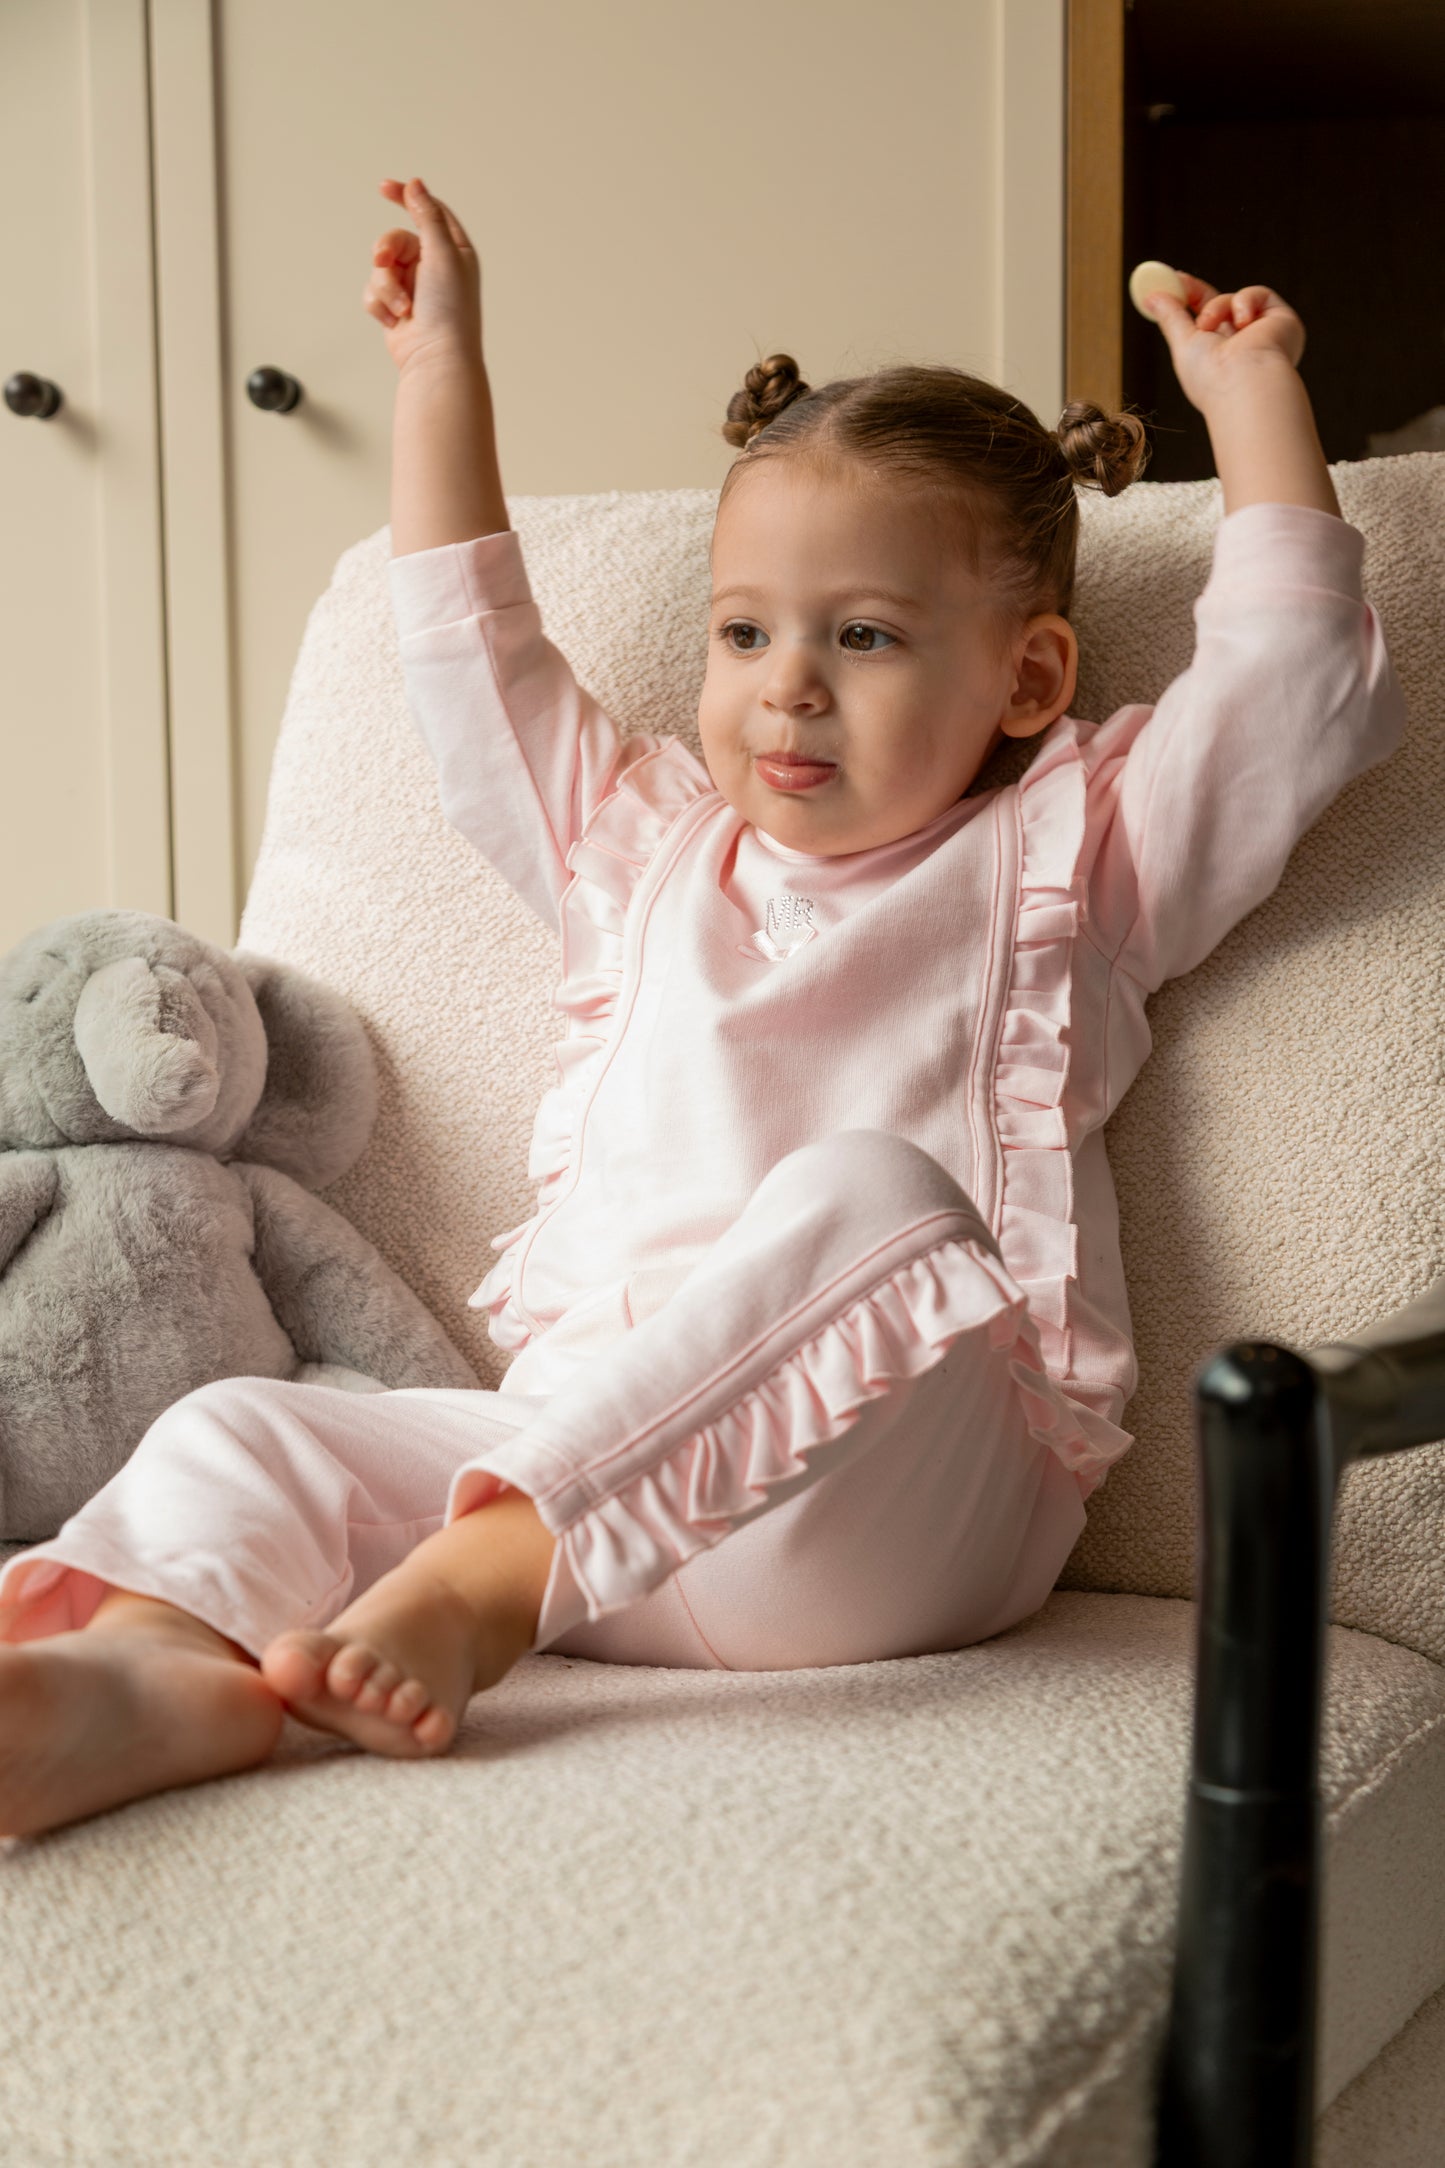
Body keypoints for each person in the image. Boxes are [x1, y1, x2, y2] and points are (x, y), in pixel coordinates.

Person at [0, 178, 1402, 1840]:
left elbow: (1289, 690)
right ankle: (146, 1671)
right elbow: (468, 658)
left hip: (890, 1519)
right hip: (578, 1490)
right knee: (247, 1428)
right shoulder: (636, 850)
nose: (785, 685)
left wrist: (1250, 403)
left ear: (1025, 678)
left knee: (874, 1192)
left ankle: (476, 1590)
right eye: (744, 632)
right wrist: (439, 369)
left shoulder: (1073, 860)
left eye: (863, 636)